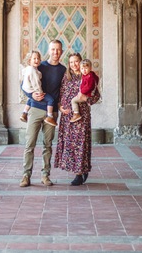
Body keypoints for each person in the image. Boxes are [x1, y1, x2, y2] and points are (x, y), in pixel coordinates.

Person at [20, 39, 66, 188]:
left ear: (61, 51)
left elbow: (64, 91)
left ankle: (45, 175)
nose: (55, 52)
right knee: (30, 144)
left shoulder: (63, 70)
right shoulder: (40, 65)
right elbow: (24, 83)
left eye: (58, 50)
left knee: (48, 145)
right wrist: (30, 95)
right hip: (35, 108)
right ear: (48, 50)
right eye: (53, 49)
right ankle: (26, 175)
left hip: (51, 113)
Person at [54, 53, 100, 186]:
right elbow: (61, 93)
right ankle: (78, 169)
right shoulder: (66, 77)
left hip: (82, 117)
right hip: (68, 116)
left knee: (80, 144)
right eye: (71, 62)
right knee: (70, 144)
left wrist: (87, 99)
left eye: (76, 61)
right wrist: (60, 107)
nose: (74, 64)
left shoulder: (88, 76)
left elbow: (96, 96)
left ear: (80, 62)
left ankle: (79, 173)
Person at [20, 50, 56, 127]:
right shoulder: (33, 70)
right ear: (29, 60)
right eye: (34, 58)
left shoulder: (28, 69)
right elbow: (36, 83)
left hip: (28, 89)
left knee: (30, 99)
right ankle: (50, 116)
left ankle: (24, 113)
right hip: (33, 90)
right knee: (51, 100)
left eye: (38, 58)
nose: (37, 60)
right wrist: (40, 92)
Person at [70, 58, 99, 123]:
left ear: (90, 68)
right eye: (82, 69)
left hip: (86, 95)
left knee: (73, 100)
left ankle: (76, 113)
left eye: (86, 68)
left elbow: (88, 86)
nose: (84, 70)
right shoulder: (87, 75)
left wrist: (81, 92)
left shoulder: (89, 77)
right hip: (85, 95)